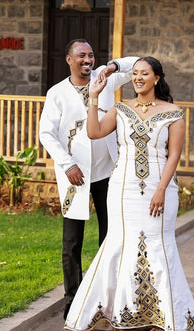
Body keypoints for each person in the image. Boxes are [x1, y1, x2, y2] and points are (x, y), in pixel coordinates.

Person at [65, 56, 194, 331]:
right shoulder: (121, 108)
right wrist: (94, 96)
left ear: (157, 78)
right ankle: (123, 312)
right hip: (122, 188)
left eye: (144, 73)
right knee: (120, 244)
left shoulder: (174, 112)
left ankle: (164, 317)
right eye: (135, 73)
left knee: (159, 246)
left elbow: (174, 155)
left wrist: (161, 189)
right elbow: (94, 132)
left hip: (160, 187)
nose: (138, 78)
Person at [39, 39, 138, 319]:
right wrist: (67, 163)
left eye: (91, 55)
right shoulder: (57, 93)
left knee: (111, 237)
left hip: (108, 173)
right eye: (81, 55)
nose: (87, 60)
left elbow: (142, 64)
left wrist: (113, 65)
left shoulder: (105, 78)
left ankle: (108, 298)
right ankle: (73, 302)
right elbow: (46, 133)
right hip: (76, 177)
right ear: (68, 59)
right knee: (72, 243)